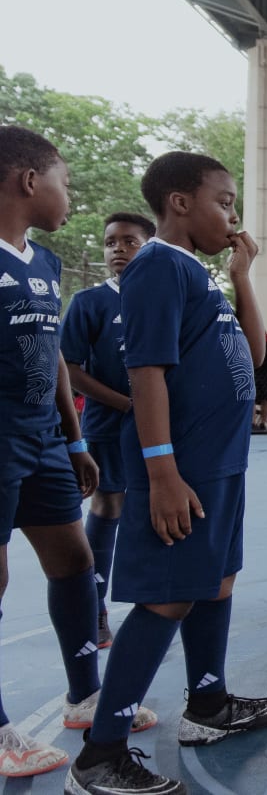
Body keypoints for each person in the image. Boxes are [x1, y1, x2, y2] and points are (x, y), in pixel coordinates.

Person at [65, 151, 267, 794]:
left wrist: (243, 275)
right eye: (224, 201)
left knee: (214, 581)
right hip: (184, 467)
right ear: (181, 203)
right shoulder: (157, 267)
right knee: (167, 596)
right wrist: (162, 471)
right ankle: (99, 755)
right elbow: (146, 374)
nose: (233, 214)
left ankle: (209, 706)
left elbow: (252, 354)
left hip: (220, 464)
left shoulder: (200, 275)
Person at [0, 126, 157, 781]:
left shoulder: (43, 262)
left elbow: (55, 360)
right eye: (64, 181)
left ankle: (83, 693)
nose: (71, 196)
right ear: (29, 181)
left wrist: (72, 437)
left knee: (74, 557)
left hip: (43, 443)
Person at [61, 211, 156, 648]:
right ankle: (95, 610)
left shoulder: (163, 296)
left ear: (148, 247)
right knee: (108, 506)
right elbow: (71, 369)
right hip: (107, 424)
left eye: (130, 241)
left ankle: (158, 601)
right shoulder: (89, 302)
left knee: (160, 508)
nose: (118, 248)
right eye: (111, 242)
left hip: (160, 428)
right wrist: (127, 404)